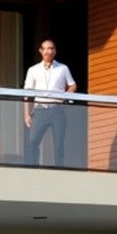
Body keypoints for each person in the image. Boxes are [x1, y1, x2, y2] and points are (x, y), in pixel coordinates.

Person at [23, 39, 77, 167]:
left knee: (59, 143)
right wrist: (26, 114)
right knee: (33, 142)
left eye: (51, 48)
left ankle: (59, 171)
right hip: (40, 110)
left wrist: (65, 97)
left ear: (55, 51)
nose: (49, 51)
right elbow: (27, 93)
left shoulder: (63, 68)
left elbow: (73, 85)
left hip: (56, 109)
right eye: (46, 49)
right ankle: (33, 169)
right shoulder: (33, 70)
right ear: (41, 51)